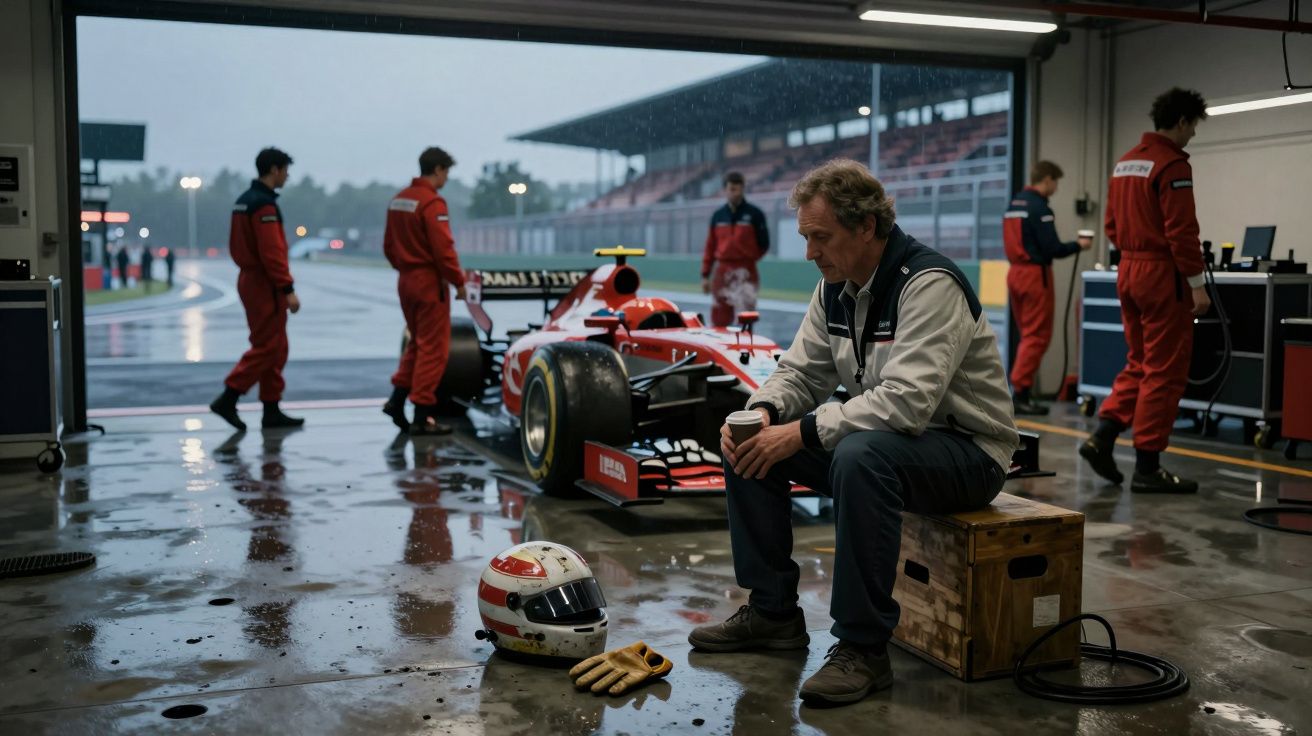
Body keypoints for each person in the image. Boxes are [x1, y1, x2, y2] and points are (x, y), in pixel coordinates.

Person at [688, 160, 1019, 706]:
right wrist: (764, 413)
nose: (810, 253)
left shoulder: (928, 285)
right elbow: (799, 373)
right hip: (894, 444)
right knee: (748, 439)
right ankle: (773, 614)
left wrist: (801, 432)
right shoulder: (834, 289)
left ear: (866, 227)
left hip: (968, 453)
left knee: (859, 455)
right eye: (805, 237)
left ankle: (863, 647)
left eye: (821, 237)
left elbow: (907, 404)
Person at [1081, 88, 1211, 494]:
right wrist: (1197, 286)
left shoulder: (1124, 164)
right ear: (1183, 121)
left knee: (1139, 361)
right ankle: (1148, 466)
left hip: (1129, 271)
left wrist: (1134, 253)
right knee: (1164, 370)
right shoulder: (1171, 164)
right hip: (1162, 277)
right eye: (1193, 128)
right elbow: (1182, 232)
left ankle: (1102, 436)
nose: (1192, 136)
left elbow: (1112, 227)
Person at [210, 147, 303, 431]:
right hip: (264, 283)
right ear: (274, 170)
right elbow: (272, 252)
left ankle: (271, 409)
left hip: (251, 279)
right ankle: (229, 396)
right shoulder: (263, 206)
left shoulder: (243, 201)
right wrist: (287, 288)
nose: (287, 175)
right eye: (285, 169)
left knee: (276, 347)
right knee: (268, 347)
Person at [380, 146, 467, 436]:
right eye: (447, 172)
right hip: (429, 284)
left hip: (406, 280)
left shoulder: (398, 200)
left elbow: (389, 247)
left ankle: (396, 401)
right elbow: (444, 250)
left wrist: (406, 267)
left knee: (418, 343)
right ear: (439, 169)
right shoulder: (432, 203)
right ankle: (421, 416)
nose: (446, 178)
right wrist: (459, 281)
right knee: (434, 350)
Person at [1004, 160, 1093, 415]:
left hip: (1015, 274)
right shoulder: (1039, 207)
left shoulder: (1014, 204)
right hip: (1035, 275)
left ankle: (1020, 391)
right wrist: (1079, 245)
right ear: (1047, 180)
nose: (1056, 187)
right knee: (1037, 336)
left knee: (1026, 335)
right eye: (1055, 182)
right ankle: (1020, 393)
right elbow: (1052, 248)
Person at [701, 172, 769, 327]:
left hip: (747, 270)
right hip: (722, 271)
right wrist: (705, 275)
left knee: (746, 318)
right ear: (725, 189)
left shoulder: (755, 214)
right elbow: (710, 247)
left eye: (738, 189)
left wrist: (748, 258)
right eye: (732, 189)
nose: (735, 193)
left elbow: (764, 244)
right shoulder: (718, 216)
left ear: (743, 189)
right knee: (719, 319)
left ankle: (745, 348)